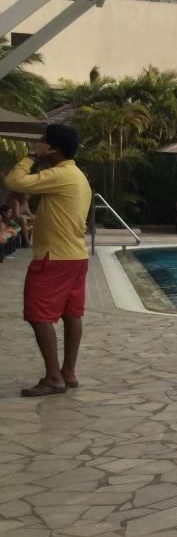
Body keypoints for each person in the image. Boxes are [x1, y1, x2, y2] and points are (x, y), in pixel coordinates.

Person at [3, 124, 92, 397]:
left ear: (53, 148)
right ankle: (68, 373)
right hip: (76, 256)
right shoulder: (78, 176)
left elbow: (14, 181)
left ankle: (54, 378)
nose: (38, 143)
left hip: (54, 258)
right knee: (72, 314)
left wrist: (30, 156)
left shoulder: (59, 174)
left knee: (38, 314)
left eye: (42, 141)